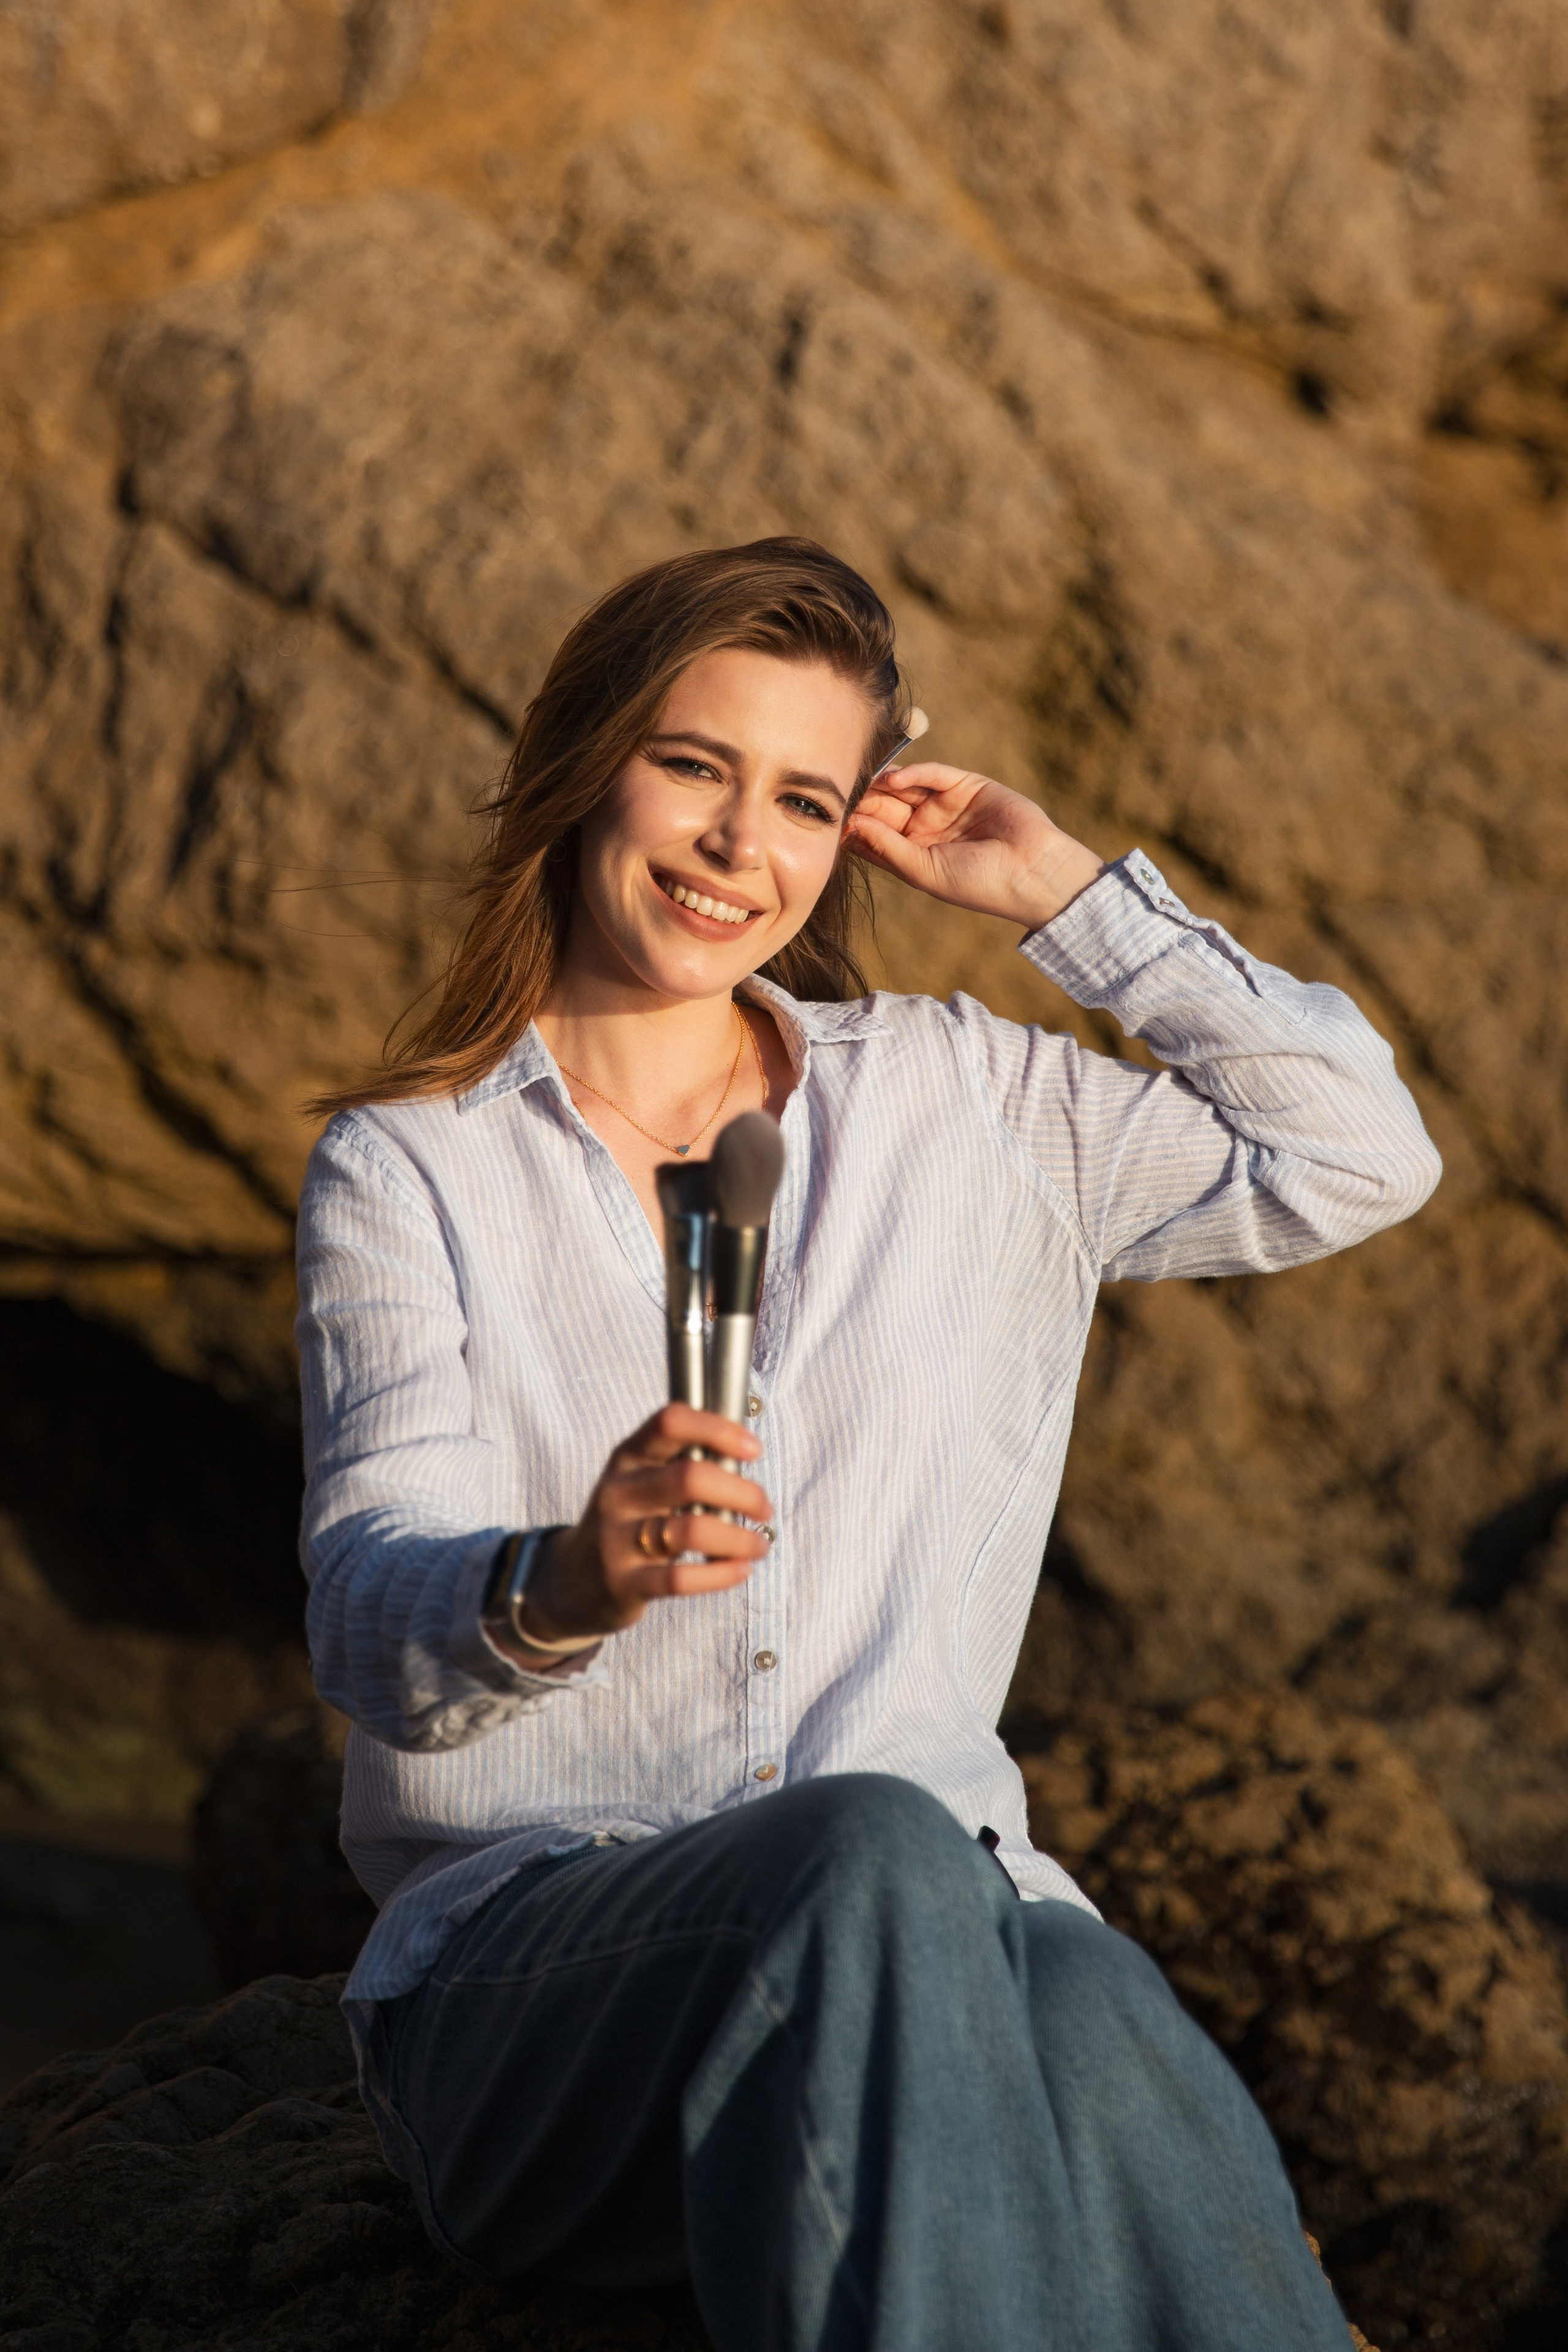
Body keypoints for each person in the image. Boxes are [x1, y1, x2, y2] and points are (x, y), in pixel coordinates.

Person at [296, 537, 1439, 2350]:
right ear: (588, 761)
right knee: (881, 1857)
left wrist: (1065, 893)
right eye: (694, 765)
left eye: (804, 800)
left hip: (949, 1949)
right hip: (540, 1994)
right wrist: (570, 1577)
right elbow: (367, 1626)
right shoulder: (412, 1166)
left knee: (1087, 2001)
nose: (737, 843)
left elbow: (1358, 1154)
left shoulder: (968, 1104)